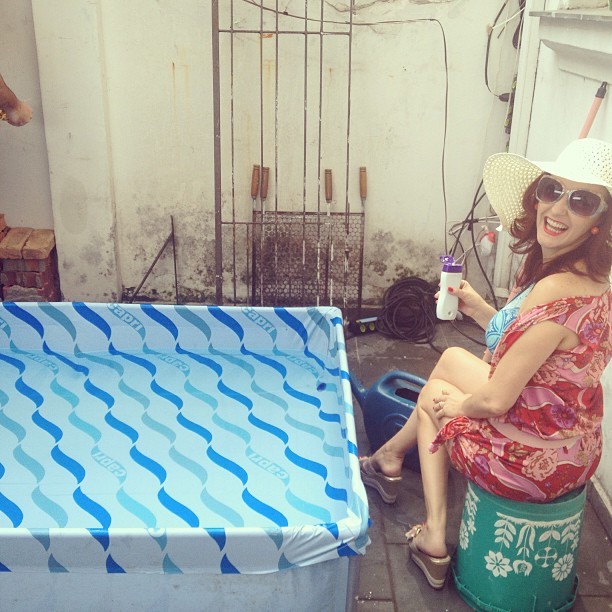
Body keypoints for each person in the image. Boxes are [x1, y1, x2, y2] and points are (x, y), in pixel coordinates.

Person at [359, 138, 612, 590]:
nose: (558, 208)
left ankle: (433, 537)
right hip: (571, 442)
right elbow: (529, 350)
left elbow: (495, 400)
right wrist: (478, 308)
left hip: (534, 464)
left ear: (599, 222)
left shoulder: (555, 291)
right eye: (553, 189)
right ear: (537, 194)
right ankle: (390, 457)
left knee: (434, 397)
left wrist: (456, 407)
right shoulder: (589, 278)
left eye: (581, 201)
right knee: (452, 358)